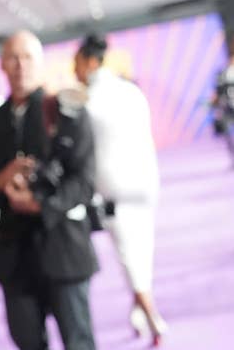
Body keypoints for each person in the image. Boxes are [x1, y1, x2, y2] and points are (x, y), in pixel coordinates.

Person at [0, 31, 98, 350]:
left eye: (27, 57)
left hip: (63, 247)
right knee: (27, 342)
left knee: (79, 341)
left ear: (41, 63)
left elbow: (84, 181)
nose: (20, 66)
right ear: (1, 64)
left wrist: (40, 204)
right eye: (13, 58)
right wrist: (2, 179)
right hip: (13, 255)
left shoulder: (67, 113)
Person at [75, 34, 168, 346]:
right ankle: (140, 313)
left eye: (76, 64)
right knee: (142, 251)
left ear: (89, 62)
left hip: (113, 191)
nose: (75, 71)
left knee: (130, 256)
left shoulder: (86, 101)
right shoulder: (131, 91)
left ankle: (154, 318)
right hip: (145, 183)